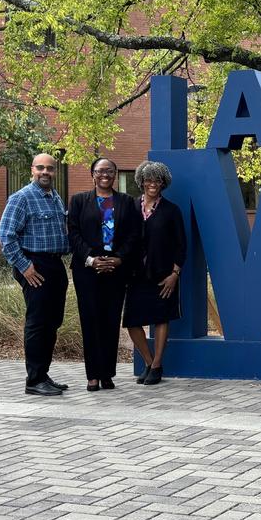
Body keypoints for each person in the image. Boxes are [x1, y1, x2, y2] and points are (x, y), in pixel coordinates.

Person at [0, 153, 71, 397]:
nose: (45, 172)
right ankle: (34, 379)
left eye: (49, 168)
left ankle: (43, 374)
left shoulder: (54, 198)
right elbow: (5, 235)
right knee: (38, 324)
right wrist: (24, 266)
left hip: (54, 265)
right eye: (40, 168)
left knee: (52, 322)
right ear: (32, 170)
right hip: (34, 266)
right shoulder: (21, 198)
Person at [68, 158, 141, 391]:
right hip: (87, 270)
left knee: (110, 321)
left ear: (115, 173)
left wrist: (119, 259)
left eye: (109, 171)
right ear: (92, 174)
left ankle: (107, 374)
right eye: (100, 171)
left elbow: (134, 234)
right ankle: (92, 375)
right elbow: (73, 233)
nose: (105, 175)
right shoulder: (79, 201)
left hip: (116, 270)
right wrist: (91, 259)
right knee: (91, 321)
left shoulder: (127, 202)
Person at [123, 160, 186, 386]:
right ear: (141, 181)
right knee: (132, 321)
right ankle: (148, 362)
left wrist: (175, 274)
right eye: (149, 179)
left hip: (163, 275)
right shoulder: (130, 207)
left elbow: (181, 245)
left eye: (158, 180)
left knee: (160, 319)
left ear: (163, 183)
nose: (153, 184)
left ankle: (158, 365)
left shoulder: (171, 210)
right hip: (135, 275)